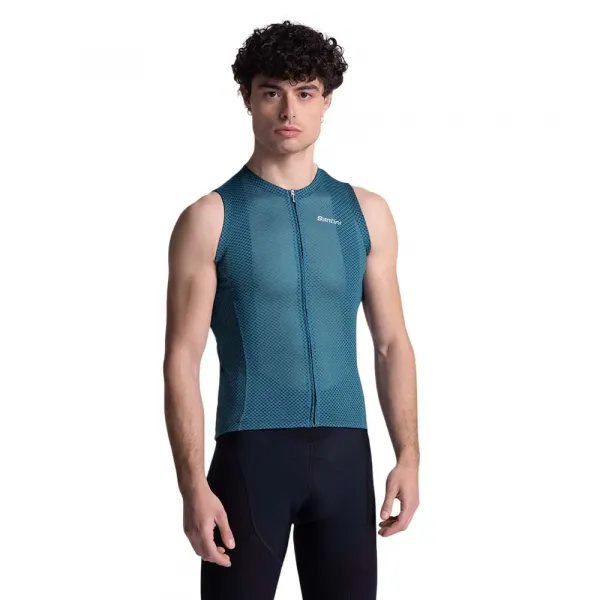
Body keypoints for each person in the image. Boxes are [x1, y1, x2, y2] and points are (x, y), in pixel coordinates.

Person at [163, 20, 419, 599]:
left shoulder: (365, 212)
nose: (288, 109)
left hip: (345, 458)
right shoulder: (210, 218)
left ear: (326, 100)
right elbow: (182, 358)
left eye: (305, 92)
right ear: (247, 98)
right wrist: (192, 486)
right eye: (271, 91)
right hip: (251, 459)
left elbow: (391, 344)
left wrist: (409, 455)